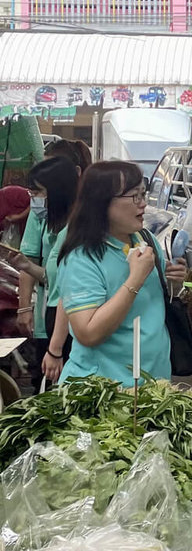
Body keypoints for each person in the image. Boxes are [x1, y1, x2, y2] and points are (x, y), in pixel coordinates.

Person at [57, 162, 186, 387]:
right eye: (135, 196)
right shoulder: (83, 257)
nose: (144, 204)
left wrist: (174, 283)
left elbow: (157, 303)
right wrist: (135, 279)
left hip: (153, 385)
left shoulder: (146, 240)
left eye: (143, 194)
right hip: (102, 391)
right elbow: (87, 333)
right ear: (102, 202)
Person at [17, 140, 90, 384]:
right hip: (53, 320)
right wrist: (25, 304)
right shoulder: (56, 228)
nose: (33, 200)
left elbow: (65, 292)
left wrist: (55, 349)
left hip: (70, 326)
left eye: (37, 193)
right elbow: (53, 278)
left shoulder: (76, 231)